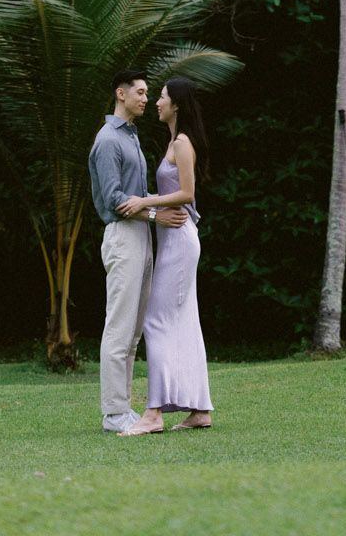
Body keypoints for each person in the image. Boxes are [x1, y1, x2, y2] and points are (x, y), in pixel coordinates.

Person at [87, 68, 187, 434]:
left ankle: (123, 408)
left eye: (148, 93)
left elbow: (137, 195)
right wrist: (157, 215)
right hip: (123, 236)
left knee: (133, 331)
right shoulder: (108, 140)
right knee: (119, 327)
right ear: (121, 93)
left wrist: (156, 210)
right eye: (141, 92)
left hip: (141, 234)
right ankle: (113, 413)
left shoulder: (130, 136)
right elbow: (115, 199)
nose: (147, 99)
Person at [117, 75, 214, 434]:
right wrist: (152, 204)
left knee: (156, 321)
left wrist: (146, 202)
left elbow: (188, 193)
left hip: (179, 242)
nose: (156, 102)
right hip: (172, 240)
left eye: (161, 96)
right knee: (185, 323)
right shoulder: (174, 141)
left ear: (176, 105)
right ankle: (200, 410)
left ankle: (153, 413)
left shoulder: (183, 143)